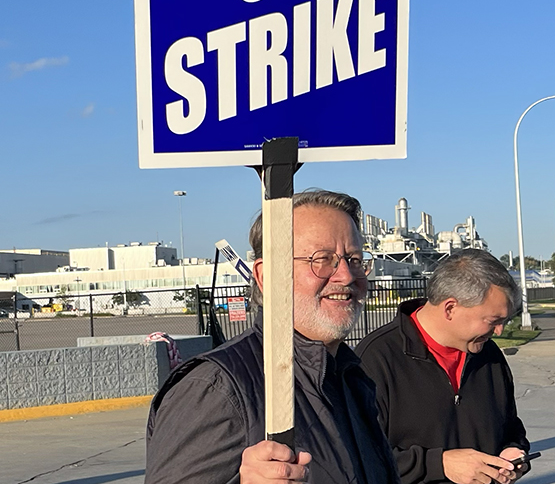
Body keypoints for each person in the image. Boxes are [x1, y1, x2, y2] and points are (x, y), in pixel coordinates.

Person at [146, 190, 399, 484]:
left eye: (354, 259)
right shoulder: (216, 388)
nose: (346, 275)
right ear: (267, 276)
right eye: (323, 259)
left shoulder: (349, 377)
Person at [357, 250, 531, 484]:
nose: (499, 331)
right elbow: (360, 457)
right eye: (493, 321)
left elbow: (510, 426)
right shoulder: (376, 358)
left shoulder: (489, 355)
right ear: (450, 308)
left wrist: (513, 451)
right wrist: (439, 464)